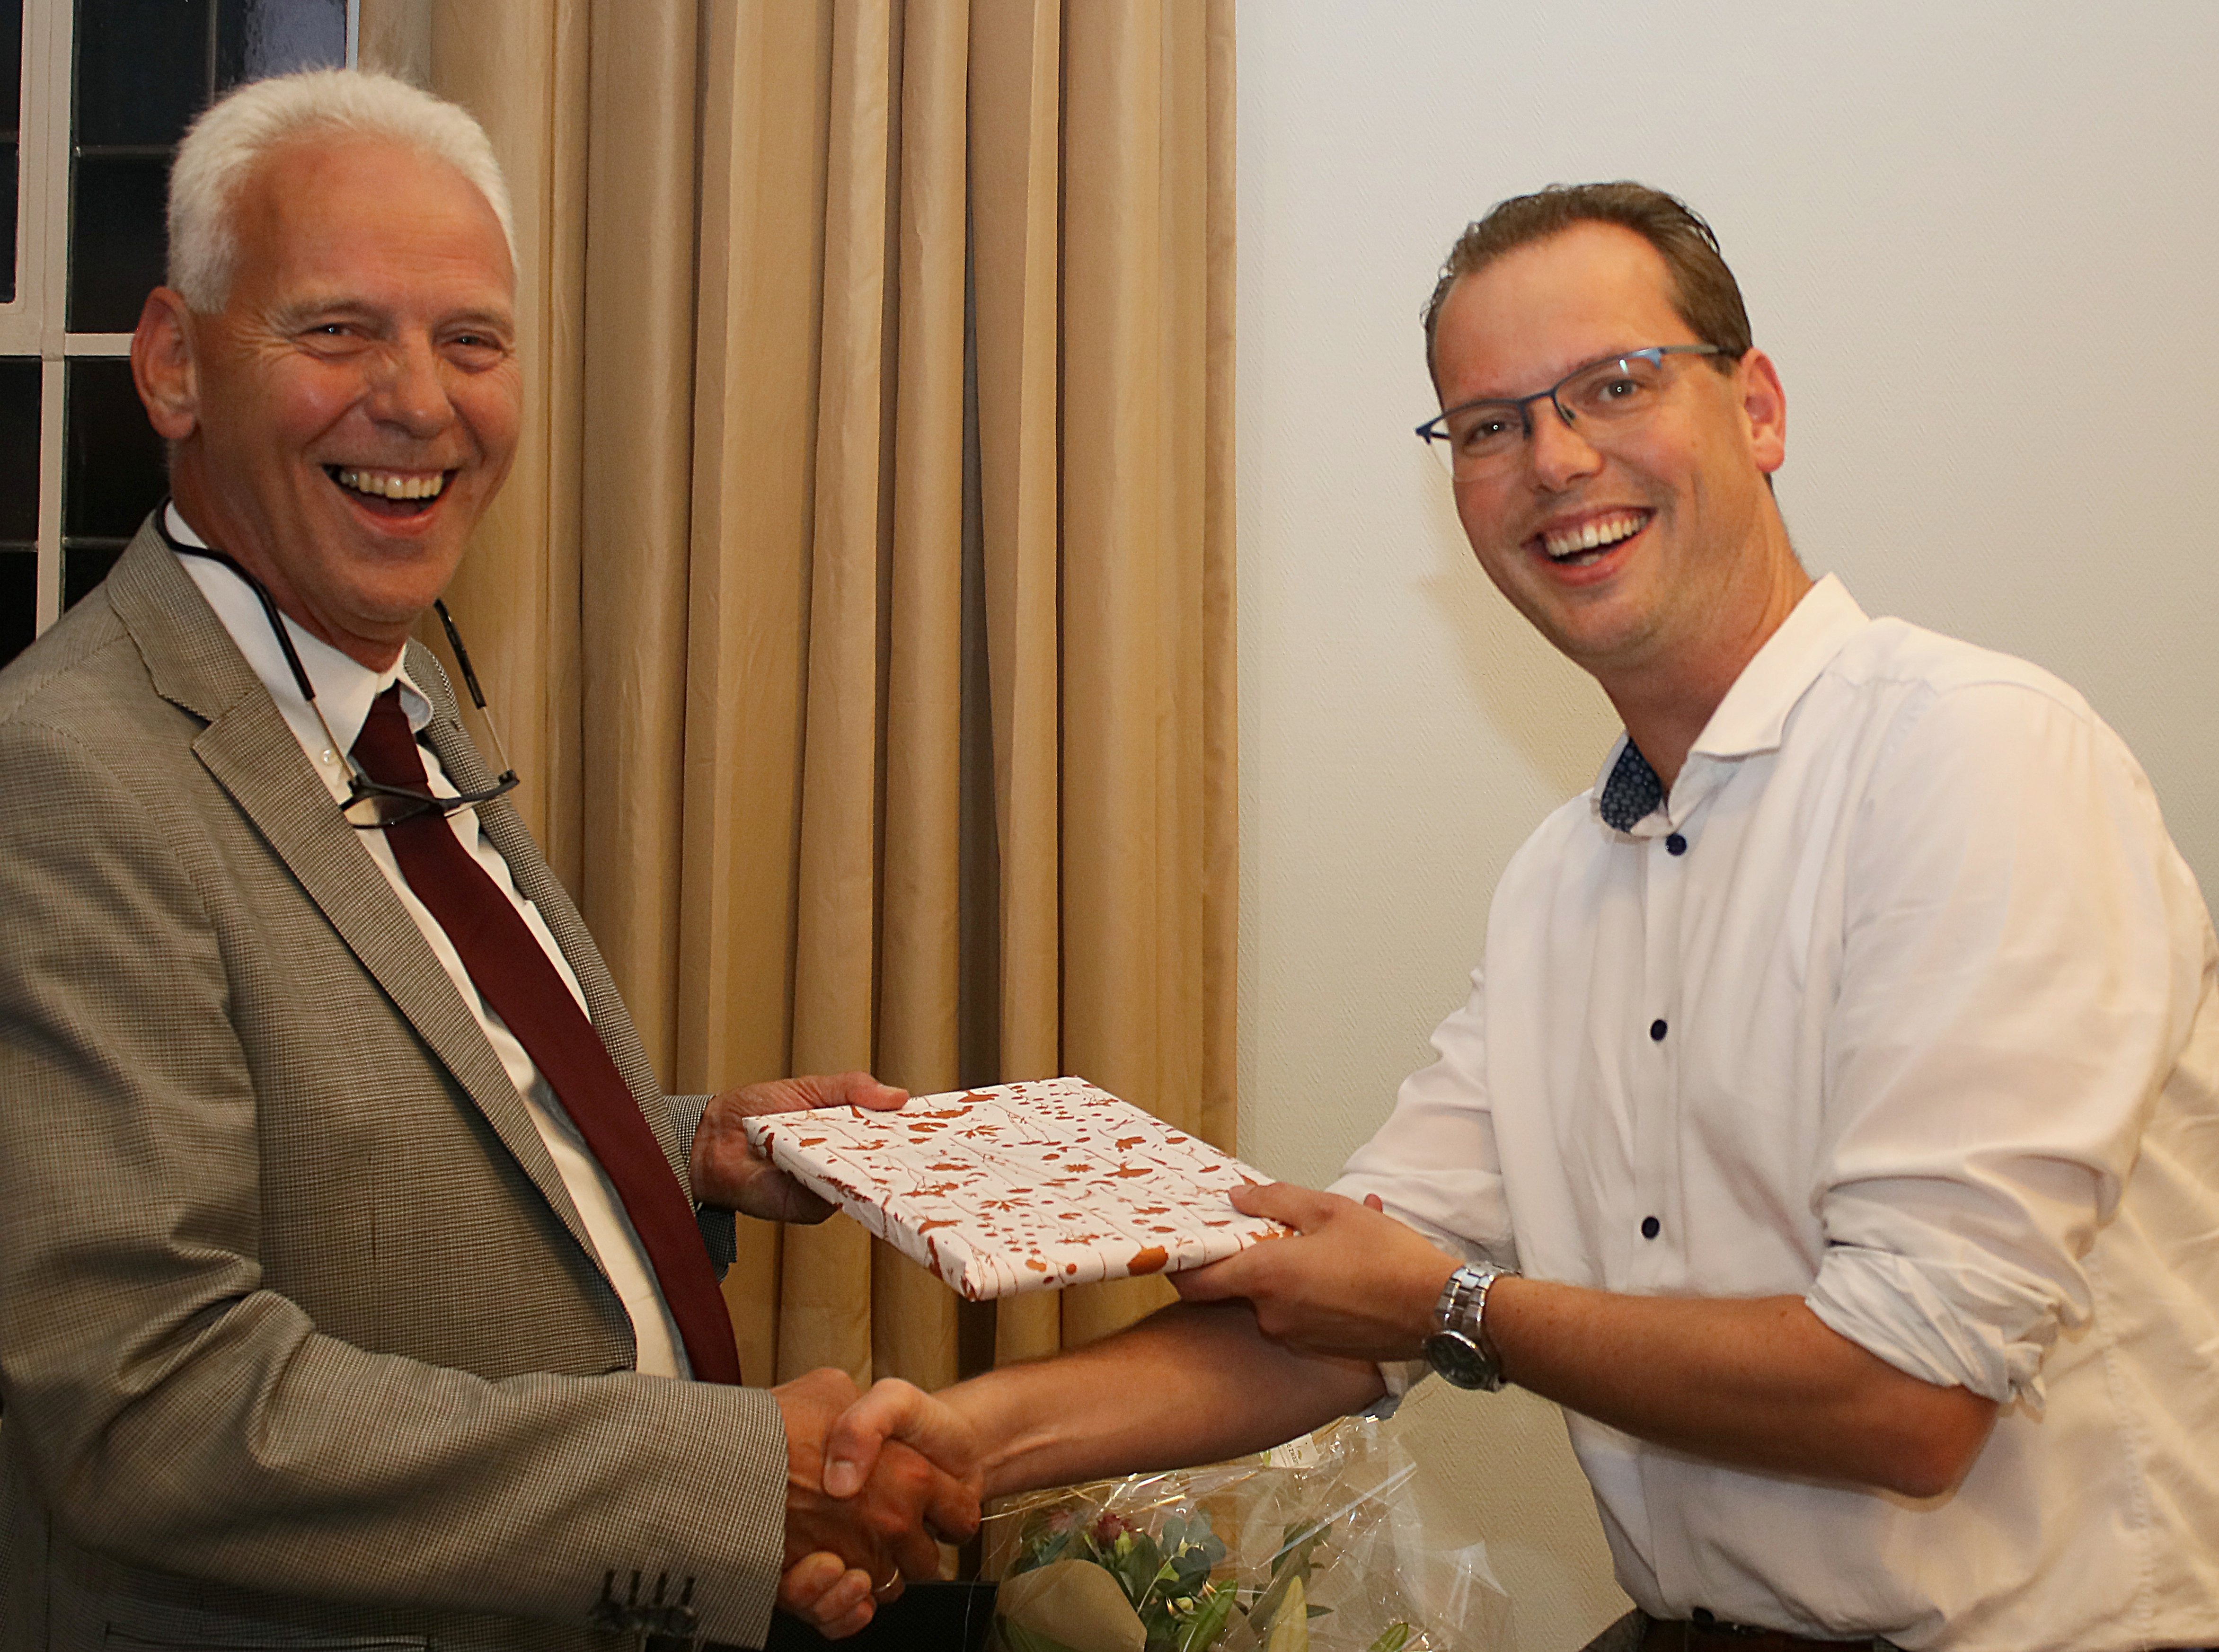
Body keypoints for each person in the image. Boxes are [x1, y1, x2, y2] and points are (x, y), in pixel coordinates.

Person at [826, 184, 2219, 1651]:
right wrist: (946, 1444)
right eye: (1488, 425)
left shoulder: (1972, 756)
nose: (1553, 459)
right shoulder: (1563, 877)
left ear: (1756, 409)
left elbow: (1905, 1393)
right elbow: (1339, 1310)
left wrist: (1452, 1304)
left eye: (1614, 385)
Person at [0, 69, 969, 1650]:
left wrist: (685, 1147)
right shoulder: (64, 773)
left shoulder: (393, 700)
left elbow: (384, 1120)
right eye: (337, 330)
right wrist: (734, 1487)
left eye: (472, 341)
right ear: (174, 363)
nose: (417, 402)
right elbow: (147, 1403)